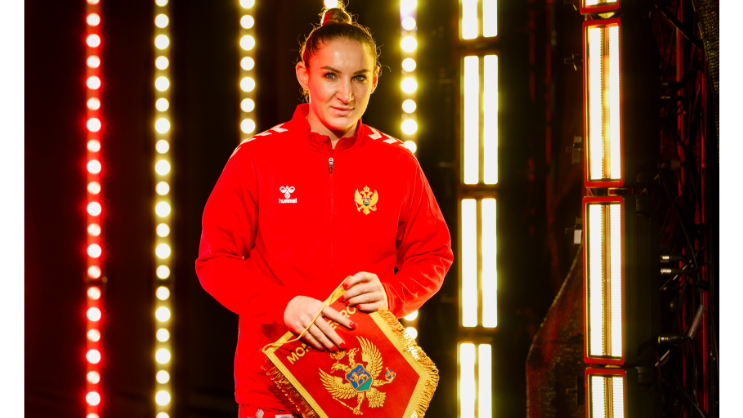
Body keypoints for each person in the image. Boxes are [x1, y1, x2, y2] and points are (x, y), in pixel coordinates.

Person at [195, 4, 453, 418]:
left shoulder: (397, 162)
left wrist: (393, 293)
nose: (346, 95)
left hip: (366, 387)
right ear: (304, 75)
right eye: (331, 75)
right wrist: (283, 305)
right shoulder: (256, 158)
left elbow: (434, 254)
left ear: (375, 79)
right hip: (274, 390)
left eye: (359, 78)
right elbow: (215, 262)